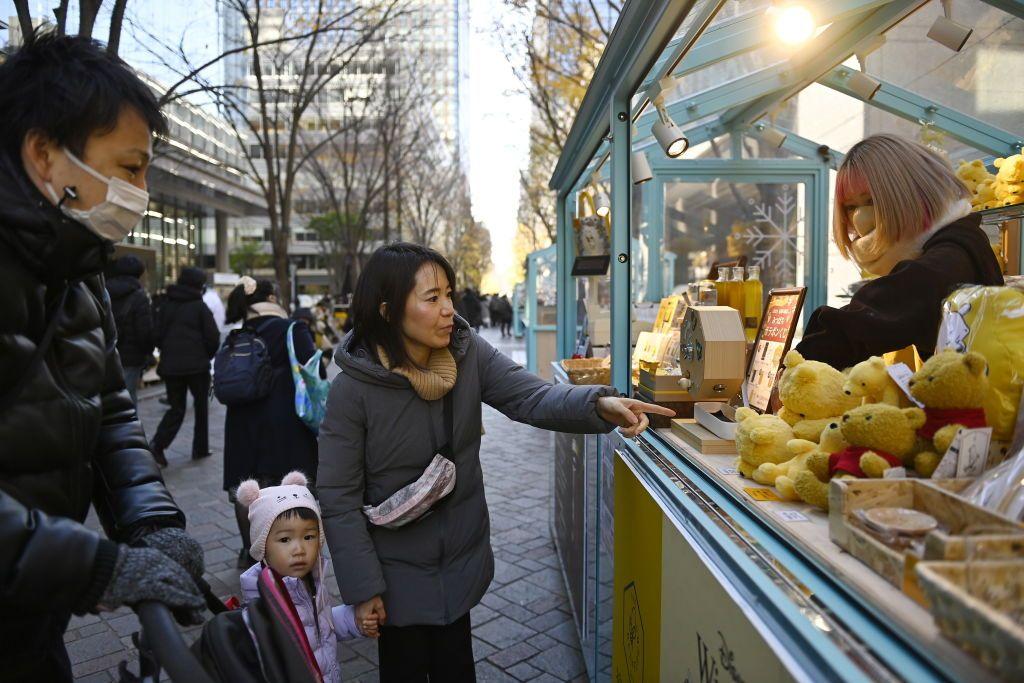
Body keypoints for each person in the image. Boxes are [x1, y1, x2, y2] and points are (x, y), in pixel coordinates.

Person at [317, 243, 672, 681]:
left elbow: (532, 396)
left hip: (461, 561)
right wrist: (363, 586)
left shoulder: (468, 356)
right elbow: (337, 496)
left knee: (457, 668)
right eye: (432, 298)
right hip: (394, 576)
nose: (449, 309)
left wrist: (598, 405)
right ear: (389, 311)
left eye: (449, 294)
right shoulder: (353, 390)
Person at [0, 34, 205, 681]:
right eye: (130, 167)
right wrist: (98, 566)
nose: (142, 191)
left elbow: (111, 411)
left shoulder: (81, 265)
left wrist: (151, 522)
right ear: (43, 155)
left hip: (29, 620)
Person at [796, 134, 1003, 369]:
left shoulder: (950, 256)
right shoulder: (953, 244)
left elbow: (878, 315)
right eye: (850, 207)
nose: (859, 218)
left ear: (909, 193)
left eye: (871, 200)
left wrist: (799, 365)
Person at [236, 471, 376, 682]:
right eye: (285, 539)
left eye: (309, 536)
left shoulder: (308, 580)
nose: (299, 549)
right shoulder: (262, 604)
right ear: (262, 547)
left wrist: (354, 619)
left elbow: (320, 624)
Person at [224, 276, 319, 568]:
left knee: (249, 485)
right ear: (273, 299)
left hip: (242, 418)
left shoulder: (238, 331)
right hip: (284, 418)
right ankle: (291, 550)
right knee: (289, 485)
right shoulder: (292, 328)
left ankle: (251, 552)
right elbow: (313, 370)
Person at [151, 266, 220, 466]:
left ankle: (158, 444)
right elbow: (213, 338)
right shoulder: (199, 306)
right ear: (198, 285)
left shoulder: (166, 304)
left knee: (176, 408)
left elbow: (156, 335)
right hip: (197, 367)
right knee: (201, 408)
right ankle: (200, 448)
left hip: (171, 366)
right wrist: (205, 355)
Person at [105, 255, 155, 404]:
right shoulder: (139, 296)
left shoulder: (104, 292)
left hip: (105, 353)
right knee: (128, 399)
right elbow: (144, 332)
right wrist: (148, 352)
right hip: (130, 358)